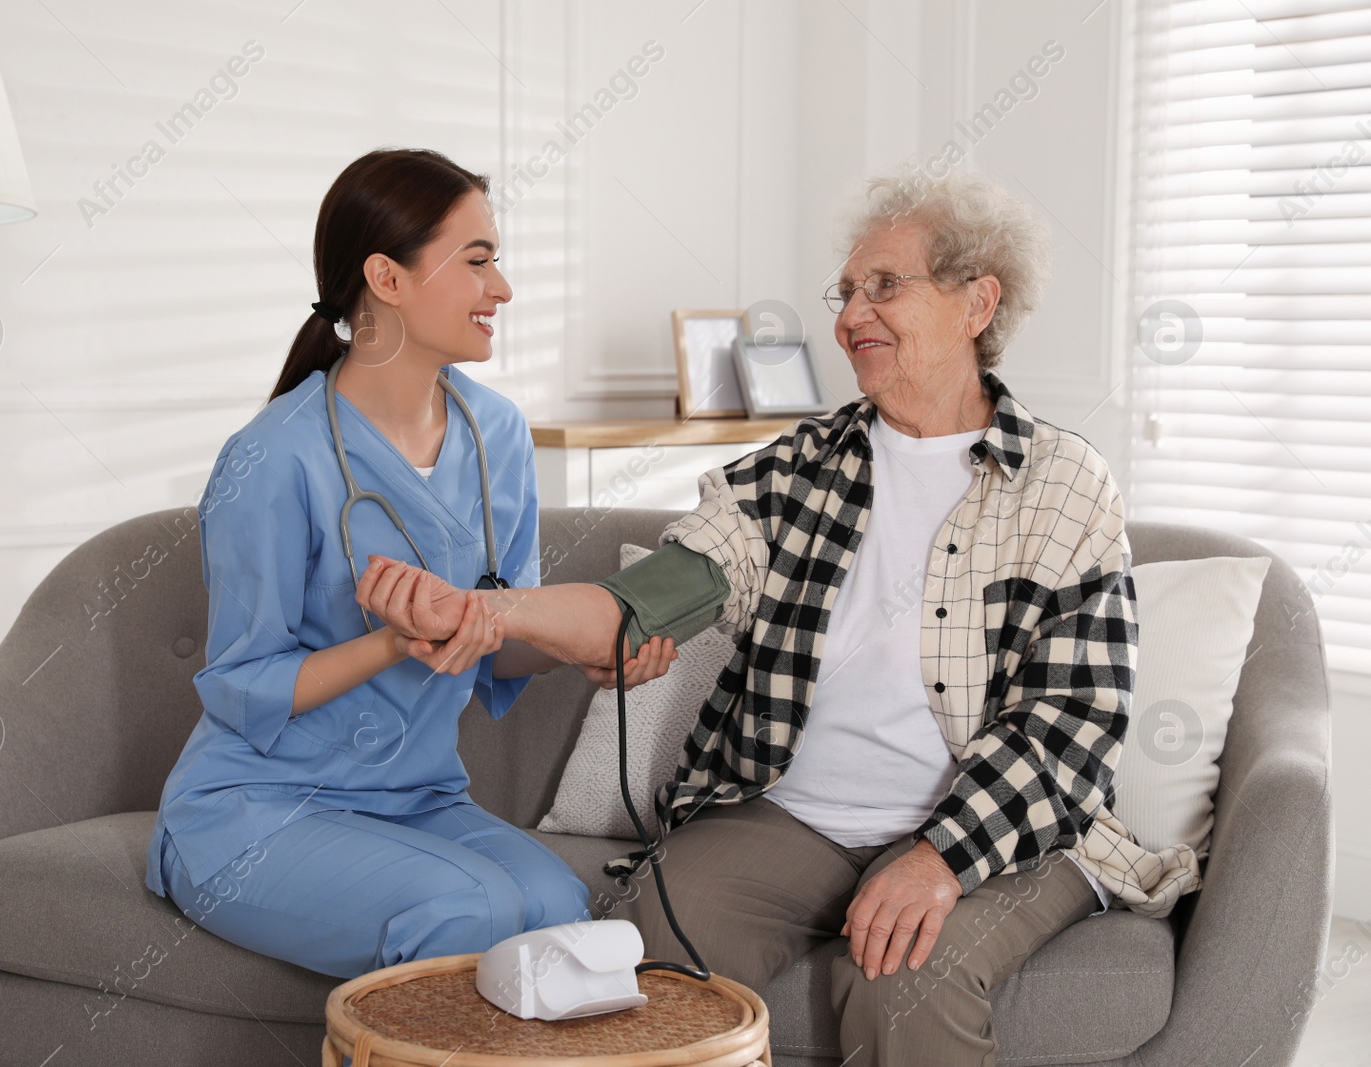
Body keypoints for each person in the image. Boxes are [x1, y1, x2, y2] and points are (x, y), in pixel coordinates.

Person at [357, 163, 1200, 1066]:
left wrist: (937, 858)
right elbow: (653, 599)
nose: (849, 315)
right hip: (799, 814)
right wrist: (490, 609)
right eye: (845, 291)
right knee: (658, 960)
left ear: (976, 303)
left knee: (904, 978)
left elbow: (1072, 724)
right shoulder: (800, 466)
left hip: (1002, 832)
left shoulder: (1064, 485)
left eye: (886, 286)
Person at [143, 147, 676, 981]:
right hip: (253, 808)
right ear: (387, 279)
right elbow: (245, 685)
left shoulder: (496, 434)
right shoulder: (271, 458)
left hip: (417, 799)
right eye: (477, 261)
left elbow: (500, 638)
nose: (501, 288)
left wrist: (585, 650)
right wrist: (395, 642)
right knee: (474, 913)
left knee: (557, 911)